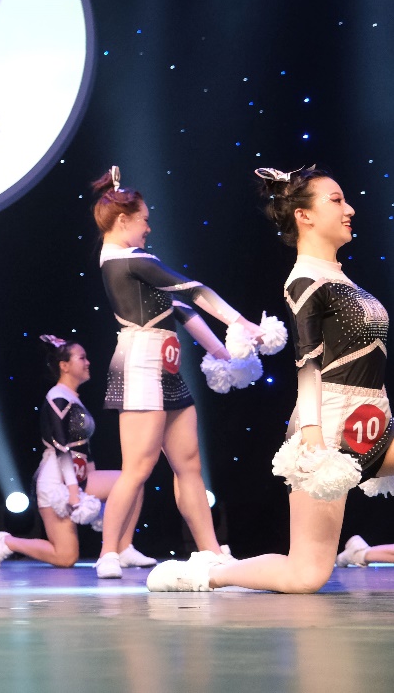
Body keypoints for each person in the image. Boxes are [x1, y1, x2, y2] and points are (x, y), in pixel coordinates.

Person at [149, 166, 394, 592]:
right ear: (304, 216)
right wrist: (313, 438)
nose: (350, 209)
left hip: (371, 423)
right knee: (306, 575)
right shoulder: (305, 280)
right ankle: (206, 573)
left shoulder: (341, 278)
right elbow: (308, 363)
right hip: (329, 430)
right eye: (336, 200)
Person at [89, 166, 264, 579]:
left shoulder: (131, 263)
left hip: (167, 367)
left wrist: (222, 353)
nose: (149, 228)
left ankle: (211, 551)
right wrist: (242, 323)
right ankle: (108, 552)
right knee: (138, 467)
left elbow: (181, 309)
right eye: (144, 220)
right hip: (139, 365)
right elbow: (193, 290)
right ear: (123, 220)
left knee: (188, 465)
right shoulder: (129, 260)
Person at [0, 336, 155, 569]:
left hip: (78, 477)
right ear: (64, 366)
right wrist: (74, 492)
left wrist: (92, 483)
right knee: (65, 557)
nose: (88, 362)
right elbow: (61, 447)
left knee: (132, 482)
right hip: (56, 482)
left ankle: (123, 548)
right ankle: (7, 542)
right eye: (82, 358)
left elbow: (83, 448)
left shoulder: (73, 398)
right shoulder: (58, 397)